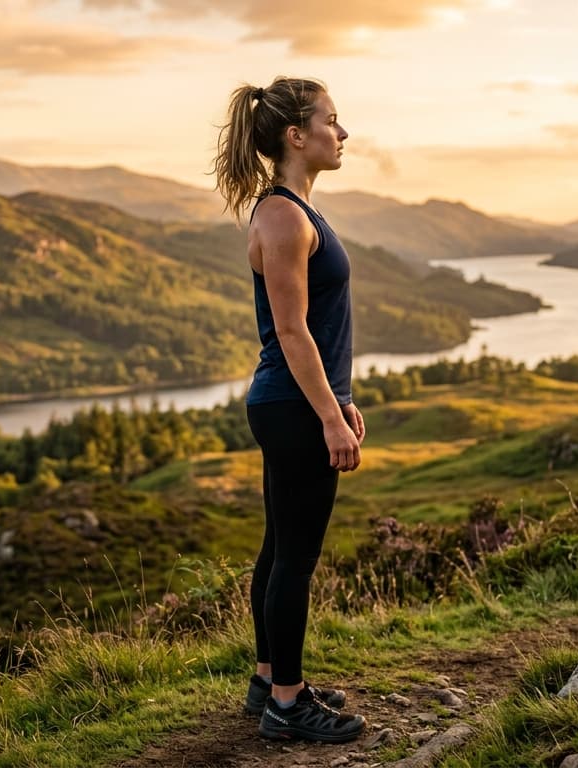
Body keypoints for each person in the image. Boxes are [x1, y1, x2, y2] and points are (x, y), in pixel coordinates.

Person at [212, 76, 367, 744]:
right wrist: (330, 417)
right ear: (296, 136)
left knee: (280, 550)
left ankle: (268, 678)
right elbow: (294, 329)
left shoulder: (296, 211)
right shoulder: (281, 215)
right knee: (295, 559)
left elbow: (321, 330)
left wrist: (343, 399)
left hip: (298, 401)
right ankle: (286, 703)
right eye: (333, 121)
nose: (344, 133)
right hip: (293, 405)